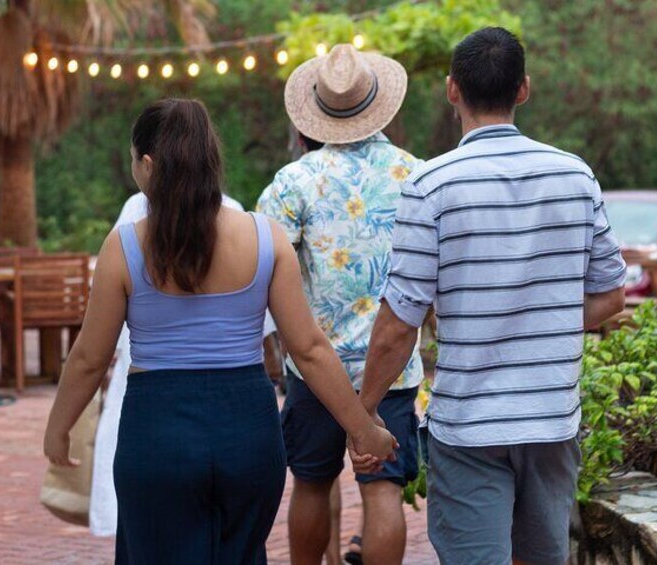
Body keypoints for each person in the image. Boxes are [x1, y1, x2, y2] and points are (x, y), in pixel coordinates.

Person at [43, 98, 396, 563]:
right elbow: (308, 349)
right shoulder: (265, 237)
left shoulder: (124, 246)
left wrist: (58, 427)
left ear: (147, 165)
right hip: (247, 429)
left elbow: (90, 357)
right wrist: (362, 429)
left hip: (157, 432)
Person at [354, 27, 626, 565]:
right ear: (523, 89)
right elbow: (612, 297)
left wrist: (364, 414)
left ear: (452, 90)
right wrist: (536, 319)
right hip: (552, 418)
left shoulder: (431, 185)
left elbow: (398, 324)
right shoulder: (576, 175)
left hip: (469, 426)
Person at [257, 45, 424, 565]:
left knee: (309, 484)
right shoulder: (416, 175)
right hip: (393, 368)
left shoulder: (293, 183)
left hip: (315, 369)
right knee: (382, 491)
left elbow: (262, 268)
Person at [88, 190, 246, 537]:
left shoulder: (136, 212)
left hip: (148, 382)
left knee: (150, 524)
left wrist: (59, 426)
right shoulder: (236, 216)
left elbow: (98, 327)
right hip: (225, 382)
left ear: (148, 163)